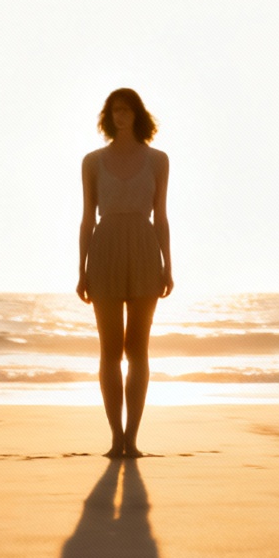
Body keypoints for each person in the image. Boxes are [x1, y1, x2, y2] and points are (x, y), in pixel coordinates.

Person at [75, 88, 172, 458]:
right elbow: (87, 218)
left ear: (137, 114)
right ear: (108, 115)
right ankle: (115, 436)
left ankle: (133, 436)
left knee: (139, 350)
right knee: (110, 350)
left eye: (127, 110)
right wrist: (81, 269)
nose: (120, 116)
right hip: (105, 249)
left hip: (145, 249)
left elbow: (161, 215)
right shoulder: (92, 162)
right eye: (115, 110)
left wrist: (167, 264)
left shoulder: (158, 160)